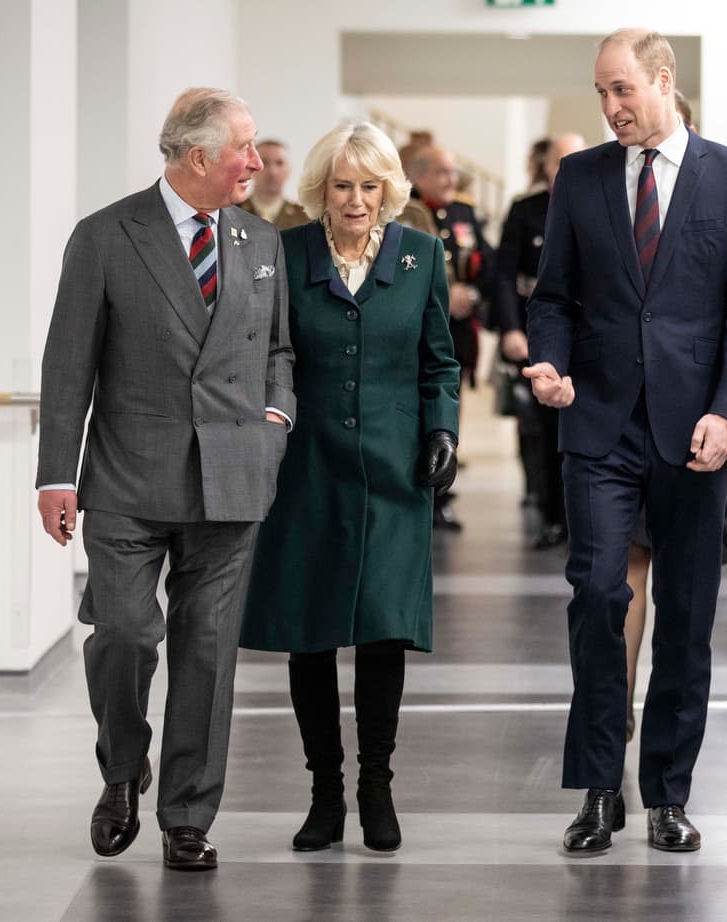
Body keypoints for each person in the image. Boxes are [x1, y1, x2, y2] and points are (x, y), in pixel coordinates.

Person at [525, 28, 727, 854]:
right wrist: (550, 362)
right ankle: (600, 788)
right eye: (601, 92)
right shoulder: (580, 177)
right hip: (598, 423)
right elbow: (553, 297)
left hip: (695, 431)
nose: (610, 106)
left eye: (622, 89)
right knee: (600, 594)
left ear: (663, 81)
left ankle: (669, 793)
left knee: (686, 614)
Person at [36, 88, 294, 871]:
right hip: (127, 478)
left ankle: (187, 814)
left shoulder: (259, 239)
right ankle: (122, 766)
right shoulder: (106, 235)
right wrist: (55, 476)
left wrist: (276, 416)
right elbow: (68, 362)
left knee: (208, 653)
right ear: (199, 156)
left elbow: (278, 350)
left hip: (232, 474)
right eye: (244, 147)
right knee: (123, 634)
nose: (256, 161)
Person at [240, 122, 460, 854]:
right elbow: (269, 353)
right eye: (342, 186)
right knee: (310, 632)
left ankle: (376, 787)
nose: (356, 200)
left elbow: (440, 362)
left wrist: (443, 428)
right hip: (306, 470)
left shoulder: (421, 256)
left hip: (395, 471)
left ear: (389, 190)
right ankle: (325, 794)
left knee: (382, 627)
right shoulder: (288, 252)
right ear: (321, 190)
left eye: (369, 186)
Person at [495, 133, 587, 549]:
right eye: (558, 161)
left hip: (589, 336)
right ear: (546, 166)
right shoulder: (526, 210)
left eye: (574, 159)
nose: (565, 169)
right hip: (542, 330)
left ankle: (584, 518)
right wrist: (511, 328)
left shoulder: (601, 202)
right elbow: (505, 273)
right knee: (545, 430)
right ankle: (553, 517)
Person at [402, 144, 494, 531]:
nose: (451, 180)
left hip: (456, 328)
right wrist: (443, 294)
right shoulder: (403, 210)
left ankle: (442, 488)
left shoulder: (463, 212)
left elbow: (488, 264)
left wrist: (471, 293)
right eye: (442, 173)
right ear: (419, 176)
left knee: (449, 404)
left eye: (453, 172)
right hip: (416, 326)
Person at [239, 138, 309, 230]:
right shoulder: (230, 213)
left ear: (289, 169)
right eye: (264, 162)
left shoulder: (305, 218)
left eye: (279, 163)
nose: (272, 171)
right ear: (250, 168)